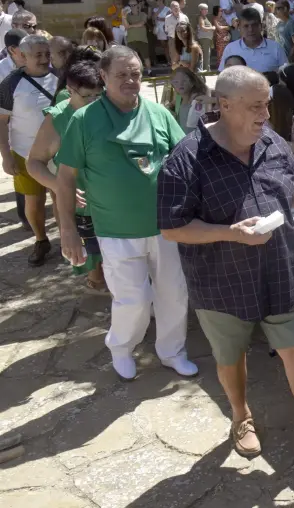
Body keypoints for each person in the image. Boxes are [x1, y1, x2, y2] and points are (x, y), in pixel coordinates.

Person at [158, 66, 294, 463]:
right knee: (230, 358)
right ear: (224, 105)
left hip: (281, 271)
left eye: (266, 105)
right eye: (254, 107)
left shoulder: (272, 142)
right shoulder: (186, 158)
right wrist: (232, 233)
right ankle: (241, 416)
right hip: (221, 282)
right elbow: (172, 228)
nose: (265, 115)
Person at [57, 46, 197, 381]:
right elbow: (64, 178)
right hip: (116, 229)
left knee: (173, 294)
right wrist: (68, 230)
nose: (130, 80)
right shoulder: (83, 120)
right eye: (121, 74)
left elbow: (185, 159)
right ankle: (121, 348)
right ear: (103, 77)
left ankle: (172, 351)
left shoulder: (158, 113)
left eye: (135, 73)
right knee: (133, 300)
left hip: (167, 226)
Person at [27, 53, 106, 290]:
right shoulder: (59, 117)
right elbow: (34, 163)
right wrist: (59, 187)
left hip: (114, 203)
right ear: (70, 90)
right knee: (95, 266)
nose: (94, 101)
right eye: (87, 96)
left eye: (98, 95)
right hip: (84, 207)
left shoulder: (108, 107)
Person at [0, 34, 58, 265]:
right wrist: (6, 156)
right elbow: (1, 122)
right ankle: (41, 240)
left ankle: (68, 241)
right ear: (23, 56)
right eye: (38, 55)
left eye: (47, 54)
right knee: (33, 201)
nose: (44, 59)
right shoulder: (9, 84)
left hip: (58, 153)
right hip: (24, 153)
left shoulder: (61, 77)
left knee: (60, 197)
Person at [217, 8, 288, 85]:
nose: (250, 30)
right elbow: (222, 78)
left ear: (261, 26)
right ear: (239, 27)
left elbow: (286, 76)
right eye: (246, 26)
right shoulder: (231, 49)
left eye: (254, 25)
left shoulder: (275, 48)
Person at [166, 66, 213, 134]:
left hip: (196, 139)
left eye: (184, 81)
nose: (180, 84)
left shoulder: (197, 98)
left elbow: (205, 120)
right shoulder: (179, 98)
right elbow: (171, 105)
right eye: (176, 82)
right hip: (183, 138)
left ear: (192, 82)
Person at [124, 2, 151, 72]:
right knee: (131, 58)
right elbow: (125, 26)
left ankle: (149, 72)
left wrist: (130, 26)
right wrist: (123, 16)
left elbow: (141, 23)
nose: (132, 7)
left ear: (138, 6)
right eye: (130, 5)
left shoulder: (143, 14)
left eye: (134, 5)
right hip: (131, 40)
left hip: (142, 40)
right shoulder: (127, 16)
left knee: (146, 57)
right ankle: (135, 73)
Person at [163, 1, 189, 65]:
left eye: (177, 6)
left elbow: (189, 29)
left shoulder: (184, 17)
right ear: (171, 9)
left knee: (184, 57)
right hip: (173, 39)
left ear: (179, 7)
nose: (176, 8)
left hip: (183, 40)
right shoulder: (167, 18)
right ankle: (176, 72)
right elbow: (166, 30)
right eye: (173, 7)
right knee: (174, 59)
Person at [196, 3, 215, 71]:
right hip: (204, 39)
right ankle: (206, 70)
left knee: (207, 55)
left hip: (207, 39)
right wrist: (212, 28)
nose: (207, 10)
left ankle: (206, 69)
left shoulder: (205, 17)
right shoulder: (200, 17)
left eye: (207, 9)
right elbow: (202, 27)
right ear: (201, 10)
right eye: (205, 9)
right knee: (206, 55)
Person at [213, 5, 231, 71]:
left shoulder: (223, 18)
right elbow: (219, 28)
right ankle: (220, 69)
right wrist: (225, 27)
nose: (222, 12)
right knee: (220, 54)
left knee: (226, 53)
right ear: (217, 11)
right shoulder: (215, 19)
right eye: (220, 11)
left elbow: (229, 27)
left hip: (226, 38)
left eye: (222, 11)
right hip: (219, 40)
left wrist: (223, 27)